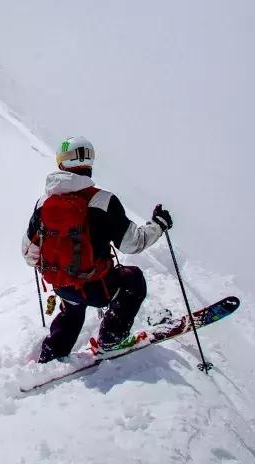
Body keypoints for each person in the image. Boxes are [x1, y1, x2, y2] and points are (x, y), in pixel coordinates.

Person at [22, 136, 173, 363]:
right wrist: (159, 225)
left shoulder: (43, 203)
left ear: (61, 163)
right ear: (90, 163)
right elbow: (133, 243)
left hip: (61, 285)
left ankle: (52, 352)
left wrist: (59, 267)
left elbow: (28, 251)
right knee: (134, 280)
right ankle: (111, 340)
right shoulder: (103, 201)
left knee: (72, 309)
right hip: (98, 288)